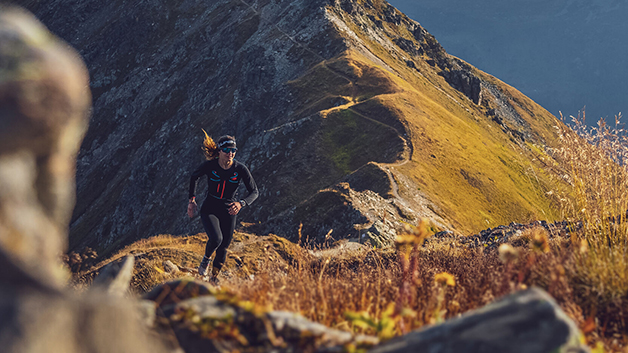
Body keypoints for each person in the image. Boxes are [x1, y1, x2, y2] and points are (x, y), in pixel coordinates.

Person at [187, 132, 258, 281]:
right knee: (216, 239)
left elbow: (254, 192)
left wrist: (241, 203)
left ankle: (214, 278)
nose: (230, 153)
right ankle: (206, 259)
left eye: (233, 150)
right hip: (210, 208)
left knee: (224, 247)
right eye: (226, 150)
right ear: (219, 151)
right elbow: (194, 177)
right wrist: (191, 200)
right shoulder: (210, 166)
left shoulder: (240, 169)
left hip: (229, 210)